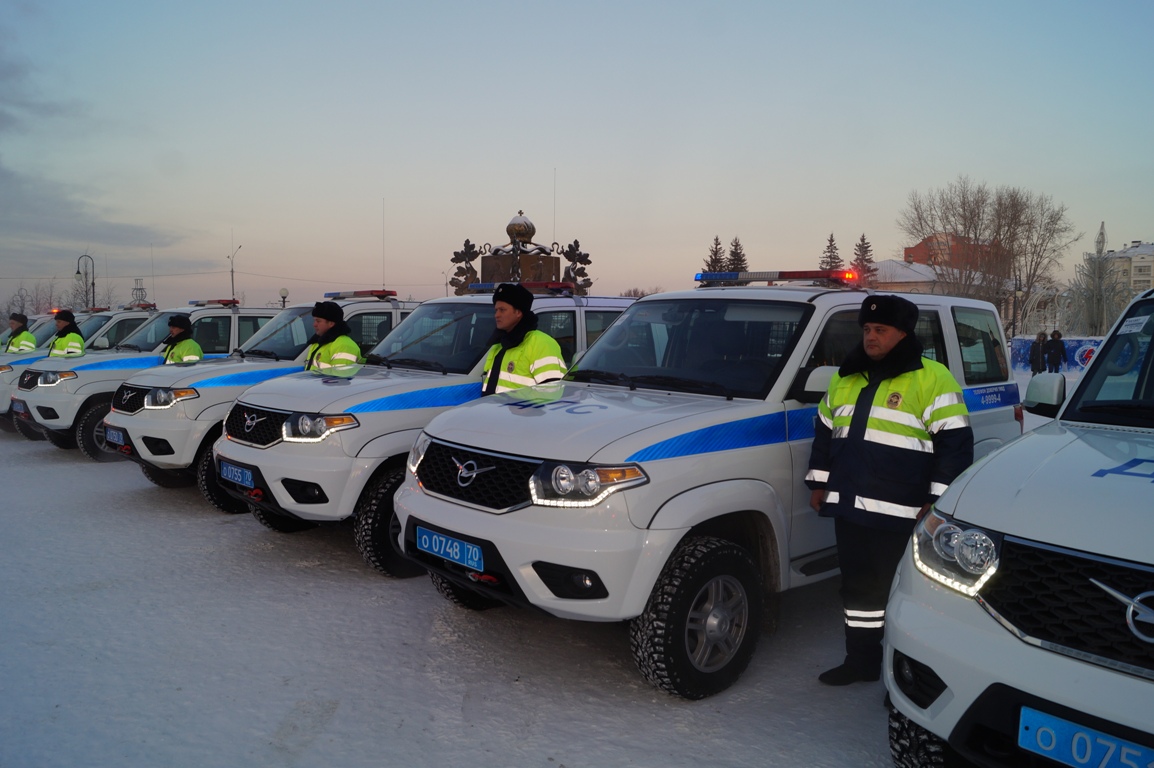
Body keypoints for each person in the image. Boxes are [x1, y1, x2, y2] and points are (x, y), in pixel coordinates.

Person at [806, 295, 974, 687]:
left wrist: (936, 501)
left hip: (904, 513)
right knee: (858, 589)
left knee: (903, 595)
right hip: (849, 507)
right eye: (866, 330)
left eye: (880, 330)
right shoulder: (846, 376)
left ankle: (903, 678)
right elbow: (825, 432)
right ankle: (860, 661)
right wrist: (818, 482)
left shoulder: (932, 378)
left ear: (902, 333)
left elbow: (955, 447)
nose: (871, 337)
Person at [482, 283, 566, 395]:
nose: (496, 315)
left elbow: (554, 393)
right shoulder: (499, 346)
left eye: (502, 310)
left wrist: (522, 411)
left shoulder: (541, 344)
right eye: (496, 310)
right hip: (493, 411)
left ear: (518, 312)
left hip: (523, 412)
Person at [305, 301, 361, 371]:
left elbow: (340, 378)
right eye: (314, 320)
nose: (314, 325)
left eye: (318, 321)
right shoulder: (317, 343)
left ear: (331, 323)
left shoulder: (344, 346)